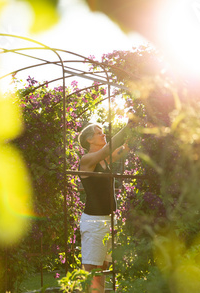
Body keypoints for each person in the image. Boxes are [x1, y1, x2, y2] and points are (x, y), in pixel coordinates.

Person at [77, 122, 132, 292]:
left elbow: (123, 149)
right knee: (93, 273)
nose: (103, 135)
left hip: (108, 220)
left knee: (103, 268)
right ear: (89, 139)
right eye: (99, 133)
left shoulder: (103, 160)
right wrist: (128, 126)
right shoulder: (87, 160)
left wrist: (136, 131)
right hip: (94, 222)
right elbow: (108, 149)